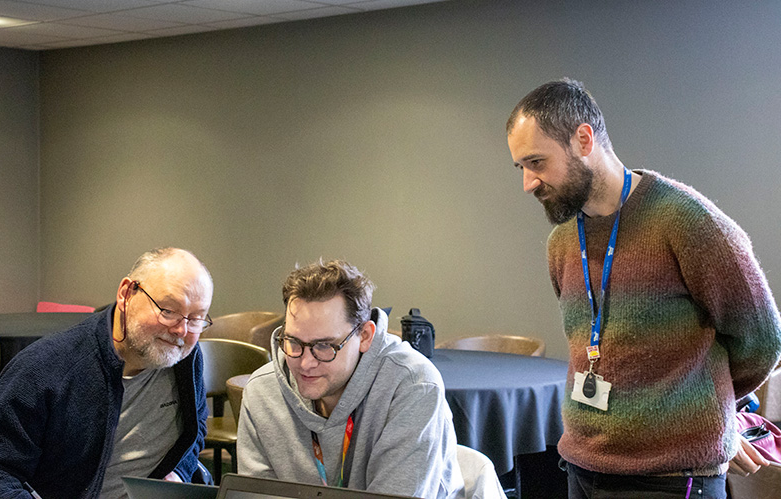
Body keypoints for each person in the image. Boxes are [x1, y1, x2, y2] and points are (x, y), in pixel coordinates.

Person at [505, 79, 781, 498]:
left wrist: (704, 406)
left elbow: (761, 341)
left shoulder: (686, 221)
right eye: (521, 167)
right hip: (582, 467)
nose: (528, 182)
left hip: (670, 479)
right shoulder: (562, 242)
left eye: (537, 162)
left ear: (583, 139)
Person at [0, 247, 214, 499]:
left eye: (196, 318)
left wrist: (177, 474)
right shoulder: (43, 370)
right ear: (127, 294)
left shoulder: (185, 358)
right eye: (168, 310)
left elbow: (195, 429)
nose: (181, 330)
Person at [237, 259, 463, 498]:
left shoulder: (414, 387)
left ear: (364, 336)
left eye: (324, 346)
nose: (305, 363)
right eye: (294, 342)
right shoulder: (263, 390)